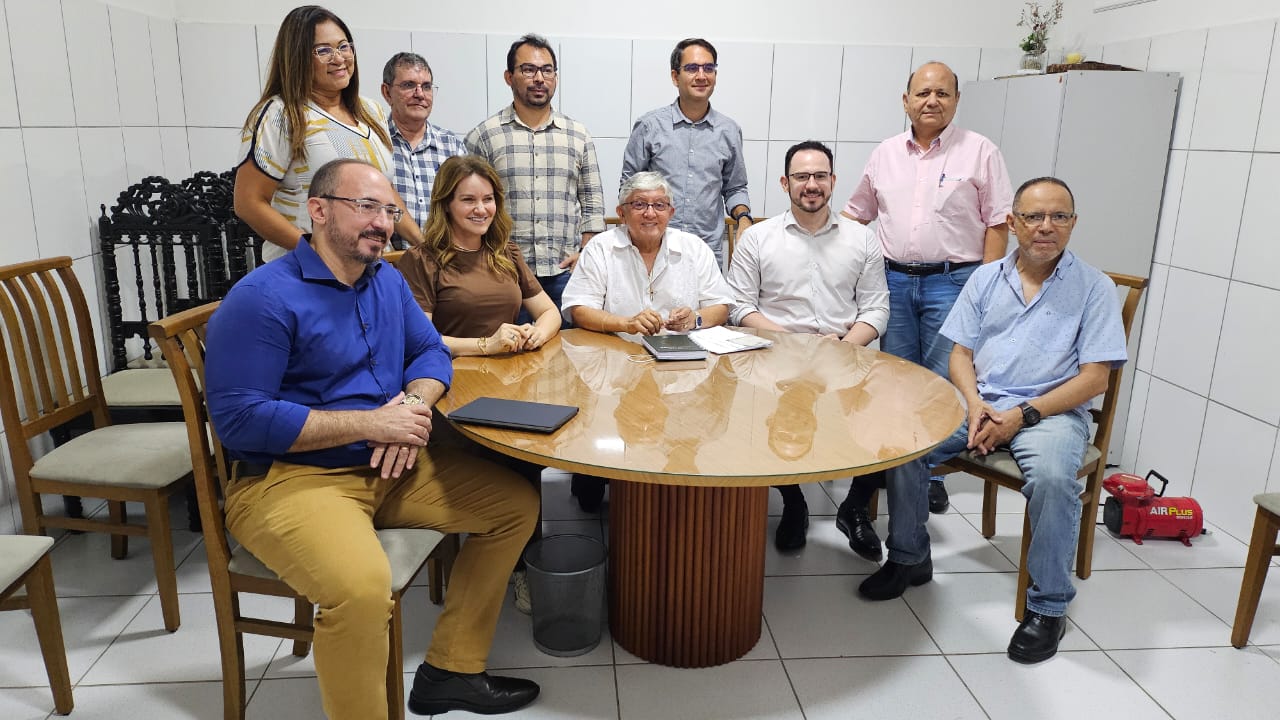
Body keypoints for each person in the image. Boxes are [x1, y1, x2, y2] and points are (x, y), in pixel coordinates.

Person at [206, 158, 540, 718]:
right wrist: (371, 424)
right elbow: (241, 420)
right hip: (289, 481)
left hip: (388, 466)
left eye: (389, 210)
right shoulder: (262, 298)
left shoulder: (385, 279)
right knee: (362, 591)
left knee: (515, 506)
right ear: (317, 211)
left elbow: (430, 352)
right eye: (366, 207)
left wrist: (410, 408)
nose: (383, 224)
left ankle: (452, 671)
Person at [866, 177, 1127, 666]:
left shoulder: (1095, 288)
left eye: (1059, 217)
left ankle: (1048, 607)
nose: (1045, 227)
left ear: (1073, 223)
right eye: (1033, 217)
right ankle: (908, 557)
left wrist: (1021, 415)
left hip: (1049, 414)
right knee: (906, 443)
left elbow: (1095, 380)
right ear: (1013, 223)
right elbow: (960, 354)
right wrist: (973, 403)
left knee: (1053, 480)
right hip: (980, 405)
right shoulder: (986, 278)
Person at [836, 61, 1013, 558]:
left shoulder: (980, 152)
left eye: (942, 93)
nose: (931, 101)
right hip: (890, 280)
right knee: (892, 390)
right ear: (905, 99)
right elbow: (856, 215)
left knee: (943, 392)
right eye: (922, 93)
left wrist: (985, 288)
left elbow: (997, 223)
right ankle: (899, 482)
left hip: (953, 282)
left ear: (956, 100)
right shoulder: (886, 154)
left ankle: (923, 471)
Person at [395, 154, 560, 615]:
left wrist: (533, 334)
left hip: (511, 379)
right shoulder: (422, 259)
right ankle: (507, 559)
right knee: (502, 456)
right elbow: (421, 341)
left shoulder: (505, 252)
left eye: (488, 199)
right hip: (451, 388)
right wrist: (486, 344)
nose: (481, 209)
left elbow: (550, 311)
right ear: (446, 203)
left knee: (531, 451)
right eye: (468, 199)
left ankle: (521, 558)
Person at [725, 140, 888, 552]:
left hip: (845, 352)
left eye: (819, 176)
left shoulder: (862, 240)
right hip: (777, 355)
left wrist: (844, 347)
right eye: (801, 177)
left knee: (887, 421)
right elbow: (739, 307)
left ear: (833, 181)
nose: (811, 185)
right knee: (768, 417)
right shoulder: (757, 239)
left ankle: (854, 507)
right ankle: (793, 501)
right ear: (785, 183)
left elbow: (876, 308)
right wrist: (794, 342)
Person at [560, 170, 736, 510]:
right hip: (613, 363)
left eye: (659, 205)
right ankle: (593, 471)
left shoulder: (693, 248)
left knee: (687, 433)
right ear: (622, 211)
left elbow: (721, 305)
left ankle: (657, 486)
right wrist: (624, 322)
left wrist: (695, 319)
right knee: (591, 482)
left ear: (671, 212)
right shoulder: (600, 248)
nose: (650, 213)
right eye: (639, 204)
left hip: (680, 369)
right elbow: (577, 308)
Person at [234, 5, 423, 262]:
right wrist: (313, 251)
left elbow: (385, 193)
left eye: (344, 46)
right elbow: (248, 202)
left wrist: (423, 244)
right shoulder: (282, 114)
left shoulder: (371, 111)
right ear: (297, 57)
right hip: (308, 271)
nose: (339, 58)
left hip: (370, 267)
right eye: (323, 50)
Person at [466, 33, 606, 316]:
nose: (539, 78)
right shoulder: (485, 136)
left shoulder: (578, 136)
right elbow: (468, 205)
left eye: (547, 70)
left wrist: (585, 254)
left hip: (565, 273)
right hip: (504, 273)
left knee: (568, 355)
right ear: (509, 77)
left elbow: (592, 203)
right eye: (528, 69)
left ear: (555, 76)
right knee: (508, 355)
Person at [622, 37, 753, 266]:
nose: (701, 76)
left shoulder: (729, 131)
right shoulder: (649, 126)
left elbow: (735, 187)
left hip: (706, 252)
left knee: (706, 304)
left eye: (708, 68)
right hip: (653, 248)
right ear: (675, 76)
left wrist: (744, 218)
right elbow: (628, 186)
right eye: (692, 68)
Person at [381, 52, 466, 226]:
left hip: (443, 253)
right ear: (387, 92)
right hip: (388, 253)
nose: (419, 94)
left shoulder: (452, 146)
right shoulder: (375, 143)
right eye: (408, 85)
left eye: (426, 86)